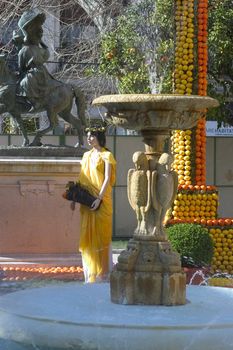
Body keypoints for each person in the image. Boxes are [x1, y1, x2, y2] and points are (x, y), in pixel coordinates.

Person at [76, 125, 116, 283]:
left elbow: (107, 178)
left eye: (92, 135)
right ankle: (90, 273)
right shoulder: (86, 155)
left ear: (99, 137)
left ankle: (104, 273)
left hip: (102, 200)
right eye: (88, 135)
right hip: (87, 200)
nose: (89, 138)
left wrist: (99, 198)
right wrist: (75, 198)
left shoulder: (107, 155)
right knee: (88, 233)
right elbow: (82, 177)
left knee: (101, 234)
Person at [17, 9, 60, 112]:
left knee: (24, 83)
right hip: (42, 72)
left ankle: (34, 102)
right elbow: (47, 55)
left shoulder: (24, 50)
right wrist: (42, 43)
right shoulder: (39, 49)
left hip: (33, 74)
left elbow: (21, 67)